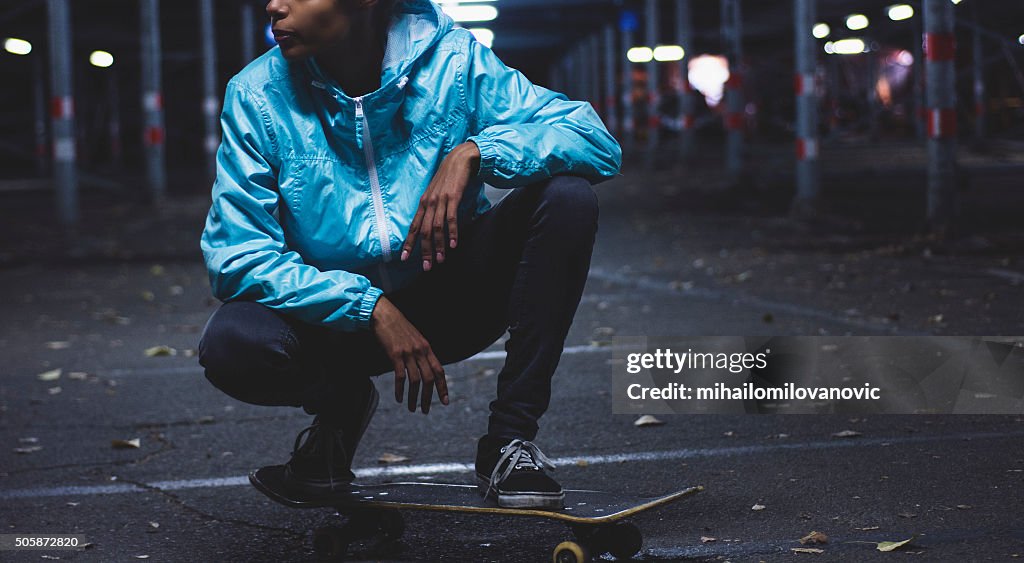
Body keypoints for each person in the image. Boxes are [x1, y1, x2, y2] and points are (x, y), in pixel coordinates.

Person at [198, 0, 621, 510]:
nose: (274, 5)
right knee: (234, 344)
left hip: (449, 298)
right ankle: (341, 409)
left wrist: (478, 152)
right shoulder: (257, 94)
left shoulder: (454, 62)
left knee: (567, 198)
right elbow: (236, 255)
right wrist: (368, 306)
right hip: (338, 326)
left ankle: (509, 441)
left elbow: (594, 140)